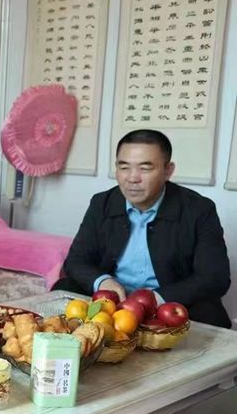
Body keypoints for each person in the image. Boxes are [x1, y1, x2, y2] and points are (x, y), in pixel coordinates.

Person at [54, 128, 231, 328]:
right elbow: (76, 261)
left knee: (209, 312)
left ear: (168, 171)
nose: (132, 178)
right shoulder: (102, 203)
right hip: (114, 299)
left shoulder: (198, 209)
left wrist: (156, 298)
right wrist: (103, 282)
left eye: (145, 168)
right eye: (124, 167)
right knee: (65, 287)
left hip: (168, 301)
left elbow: (215, 277)